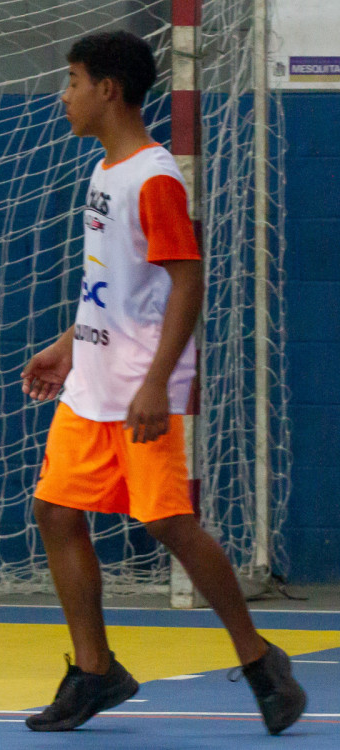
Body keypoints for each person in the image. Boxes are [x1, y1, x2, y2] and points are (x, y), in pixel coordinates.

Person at [21, 31, 307, 735]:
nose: (66, 95)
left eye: (74, 80)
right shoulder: (104, 172)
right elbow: (112, 284)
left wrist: (156, 383)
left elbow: (187, 280)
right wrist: (66, 345)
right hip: (90, 383)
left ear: (107, 90)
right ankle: (94, 670)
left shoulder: (153, 177)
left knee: (168, 520)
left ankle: (261, 659)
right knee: (56, 511)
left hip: (137, 389)